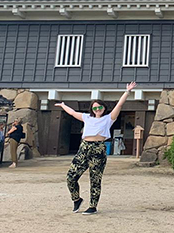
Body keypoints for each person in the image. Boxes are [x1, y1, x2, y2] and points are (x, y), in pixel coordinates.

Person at [56, 81, 137, 215]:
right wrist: (63, 105)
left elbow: (119, 105)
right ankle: (76, 199)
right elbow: (72, 113)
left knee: (95, 179)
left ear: (104, 108)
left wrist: (127, 91)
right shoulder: (86, 117)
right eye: (94, 108)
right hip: (84, 148)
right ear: (91, 110)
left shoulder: (108, 118)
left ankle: (93, 206)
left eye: (99, 107)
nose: (97, 109)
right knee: (71, 176)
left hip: (98, 148)